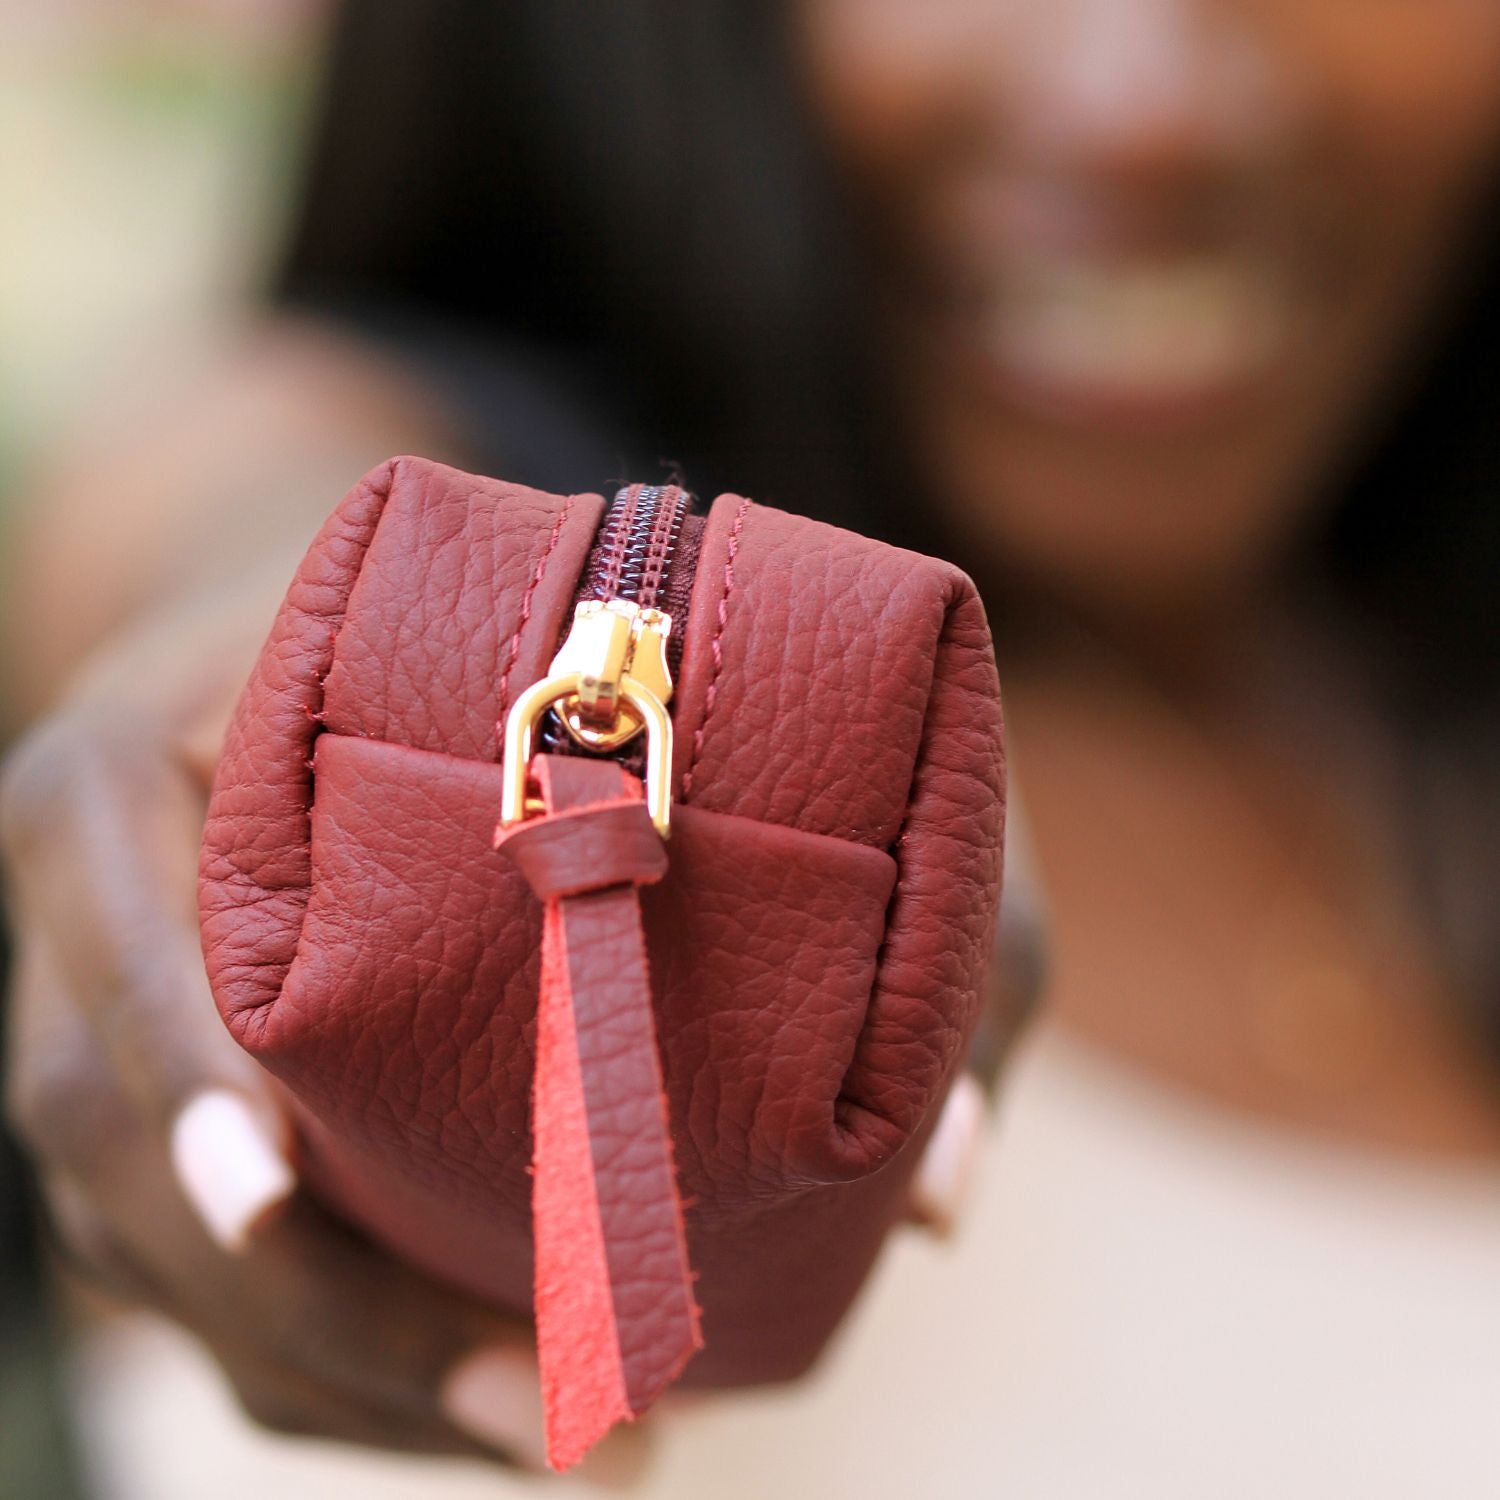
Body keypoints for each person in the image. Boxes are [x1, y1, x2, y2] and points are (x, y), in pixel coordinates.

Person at [3, 1, 1499, 1493]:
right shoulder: (370, 435)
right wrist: (314, 667)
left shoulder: (1406, 712)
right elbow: (240, 495)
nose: (1145, 104)